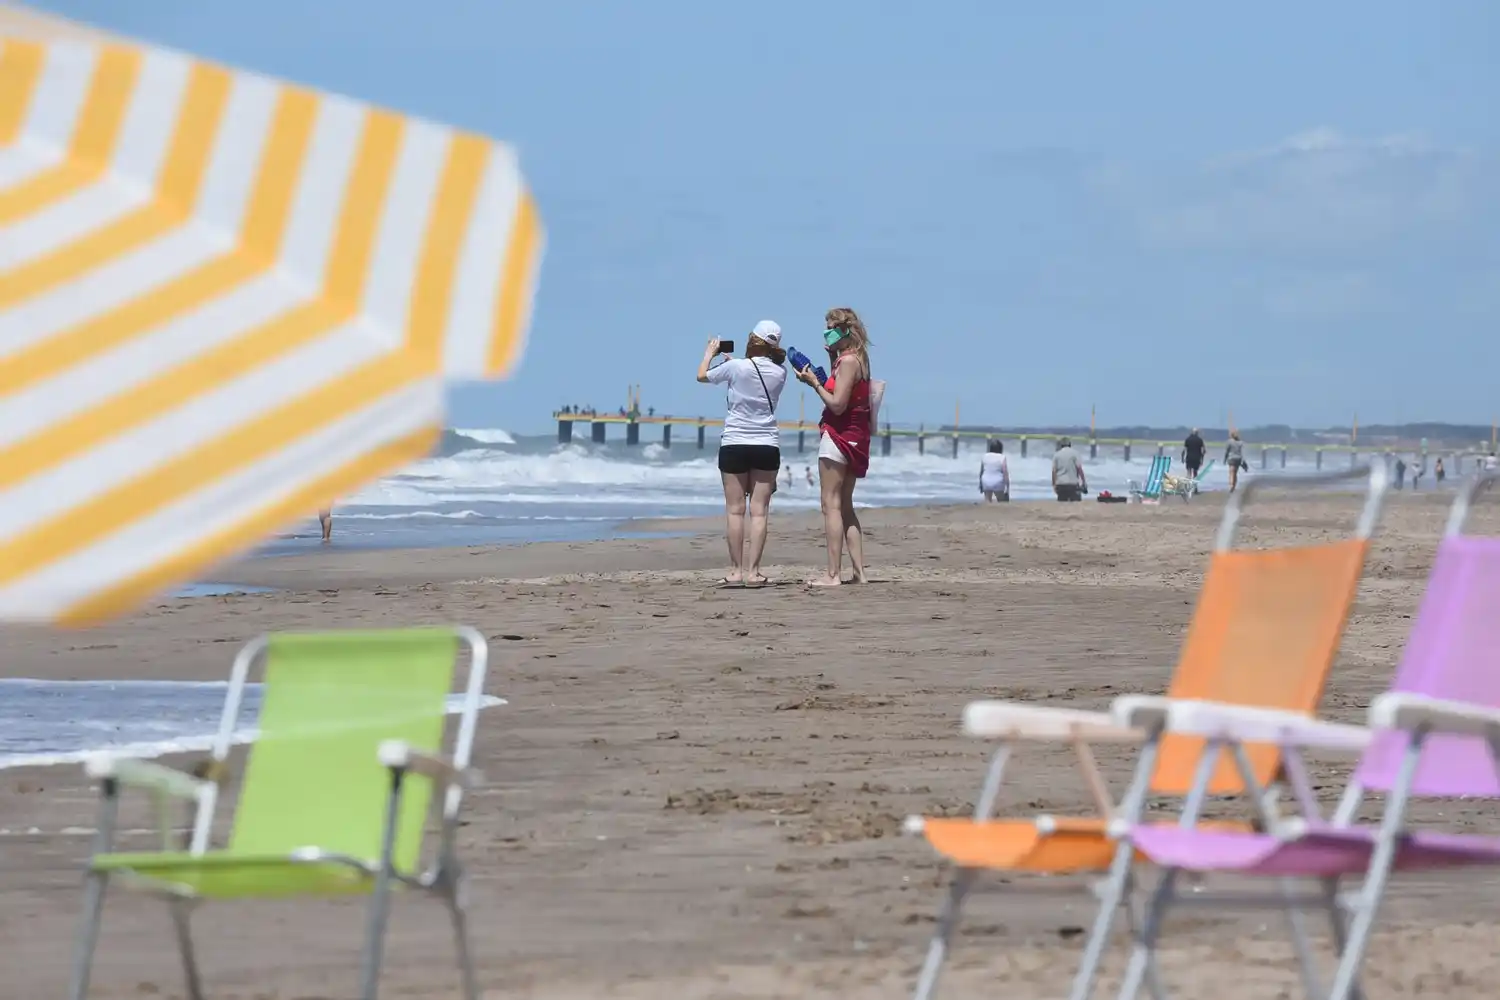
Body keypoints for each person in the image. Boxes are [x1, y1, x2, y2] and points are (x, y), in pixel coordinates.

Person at [697, 320, 788, 586]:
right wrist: (734, 364)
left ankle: (736, 572)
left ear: (752, 339)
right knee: (759, 512)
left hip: (735, 442)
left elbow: (702, 376)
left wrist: (709, 354)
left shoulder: (736, 367)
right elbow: (755, 378)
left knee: (735, 511)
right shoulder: (780, 372)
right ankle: (754, 573)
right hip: (766, 444)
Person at [795, 307, 873, 586]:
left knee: (830, 505)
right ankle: (859, 572)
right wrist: (831, 360)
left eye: (830, 328)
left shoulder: (848, 362)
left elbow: (837, 404)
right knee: (845, 505)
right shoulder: (858, 358)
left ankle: (832, 574)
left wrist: (814, 384)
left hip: (839, 435)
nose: (825, 333)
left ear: (843, 330)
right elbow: (843, 390)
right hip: (856, 437)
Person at [1051, 436, 1086, 501]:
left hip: (1061, 484)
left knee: (1062, 503)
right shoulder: (1075, 453)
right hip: (1073, 484)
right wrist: (1083, 482)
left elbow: (1054, 471)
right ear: (1070, 444)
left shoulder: (1056, 455)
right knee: (1076, 502)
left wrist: (1054, 485)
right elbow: (1079, 469)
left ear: (1061, 445)